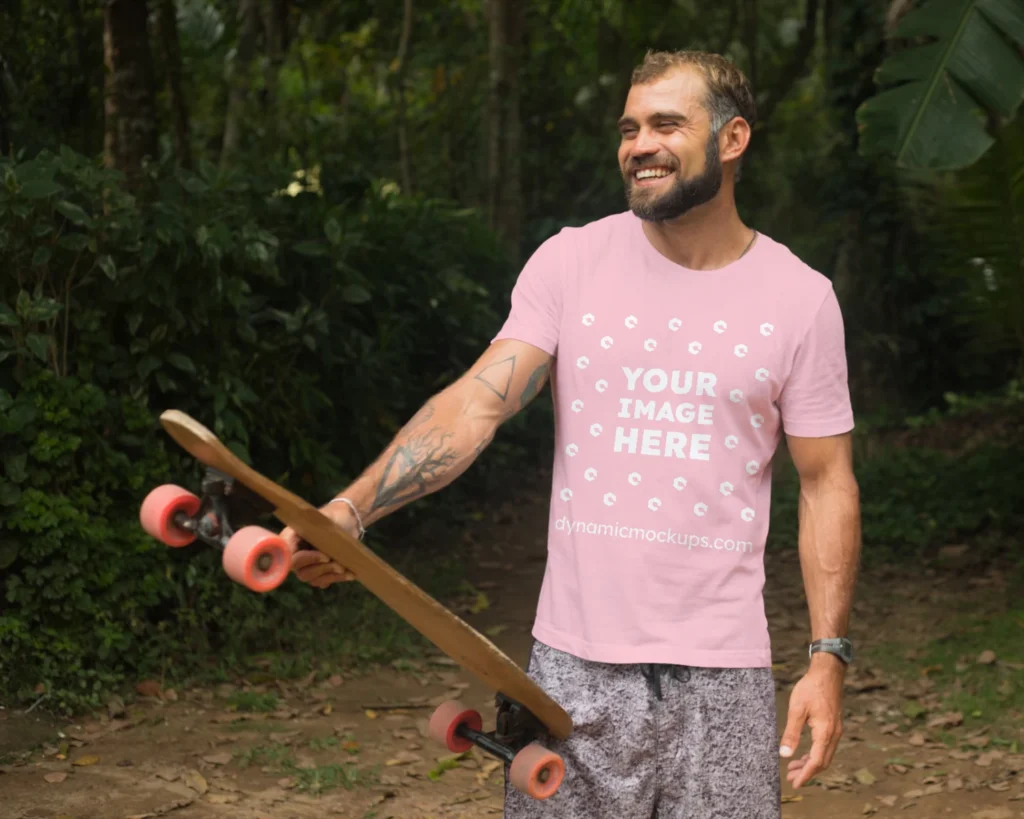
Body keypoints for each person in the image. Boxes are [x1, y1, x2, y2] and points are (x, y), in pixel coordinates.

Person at [282, 49, 862, 819]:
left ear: (732, 140)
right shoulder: (572, 262)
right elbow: (475, 406)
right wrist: (351, 511)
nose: (638, 144)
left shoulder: (801, 299)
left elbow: (826, 481)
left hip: (724, 678)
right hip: (573, 673)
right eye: (629, 127)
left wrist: (827, 657)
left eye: (665, 123)